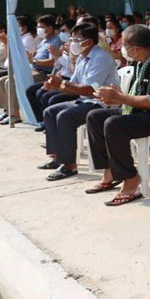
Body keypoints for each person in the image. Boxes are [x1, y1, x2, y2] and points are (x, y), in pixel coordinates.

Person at [85, 25, 150, 205]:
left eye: (124, 46)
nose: (120, 49)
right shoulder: (139, 62)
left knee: (114, 125)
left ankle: (130, 179)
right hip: (139, 111)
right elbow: (136, 95)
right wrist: (116, 97)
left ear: (136, 49)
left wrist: (120, 97)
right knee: (95, 117)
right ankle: (110, 171)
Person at [37, 23, 119, 181]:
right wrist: (56, 86)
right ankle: (58, 158)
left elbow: (91, 89)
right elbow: (73, 86)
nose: (72, 42)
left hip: (101, 102)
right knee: (50, 111)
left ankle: (69, 165)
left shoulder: (101, 58)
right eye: (72, 38)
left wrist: (62, 84)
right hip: (86, 101)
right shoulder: (82, 58)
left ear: (89, 42)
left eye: (76, 39)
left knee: (65, 116)